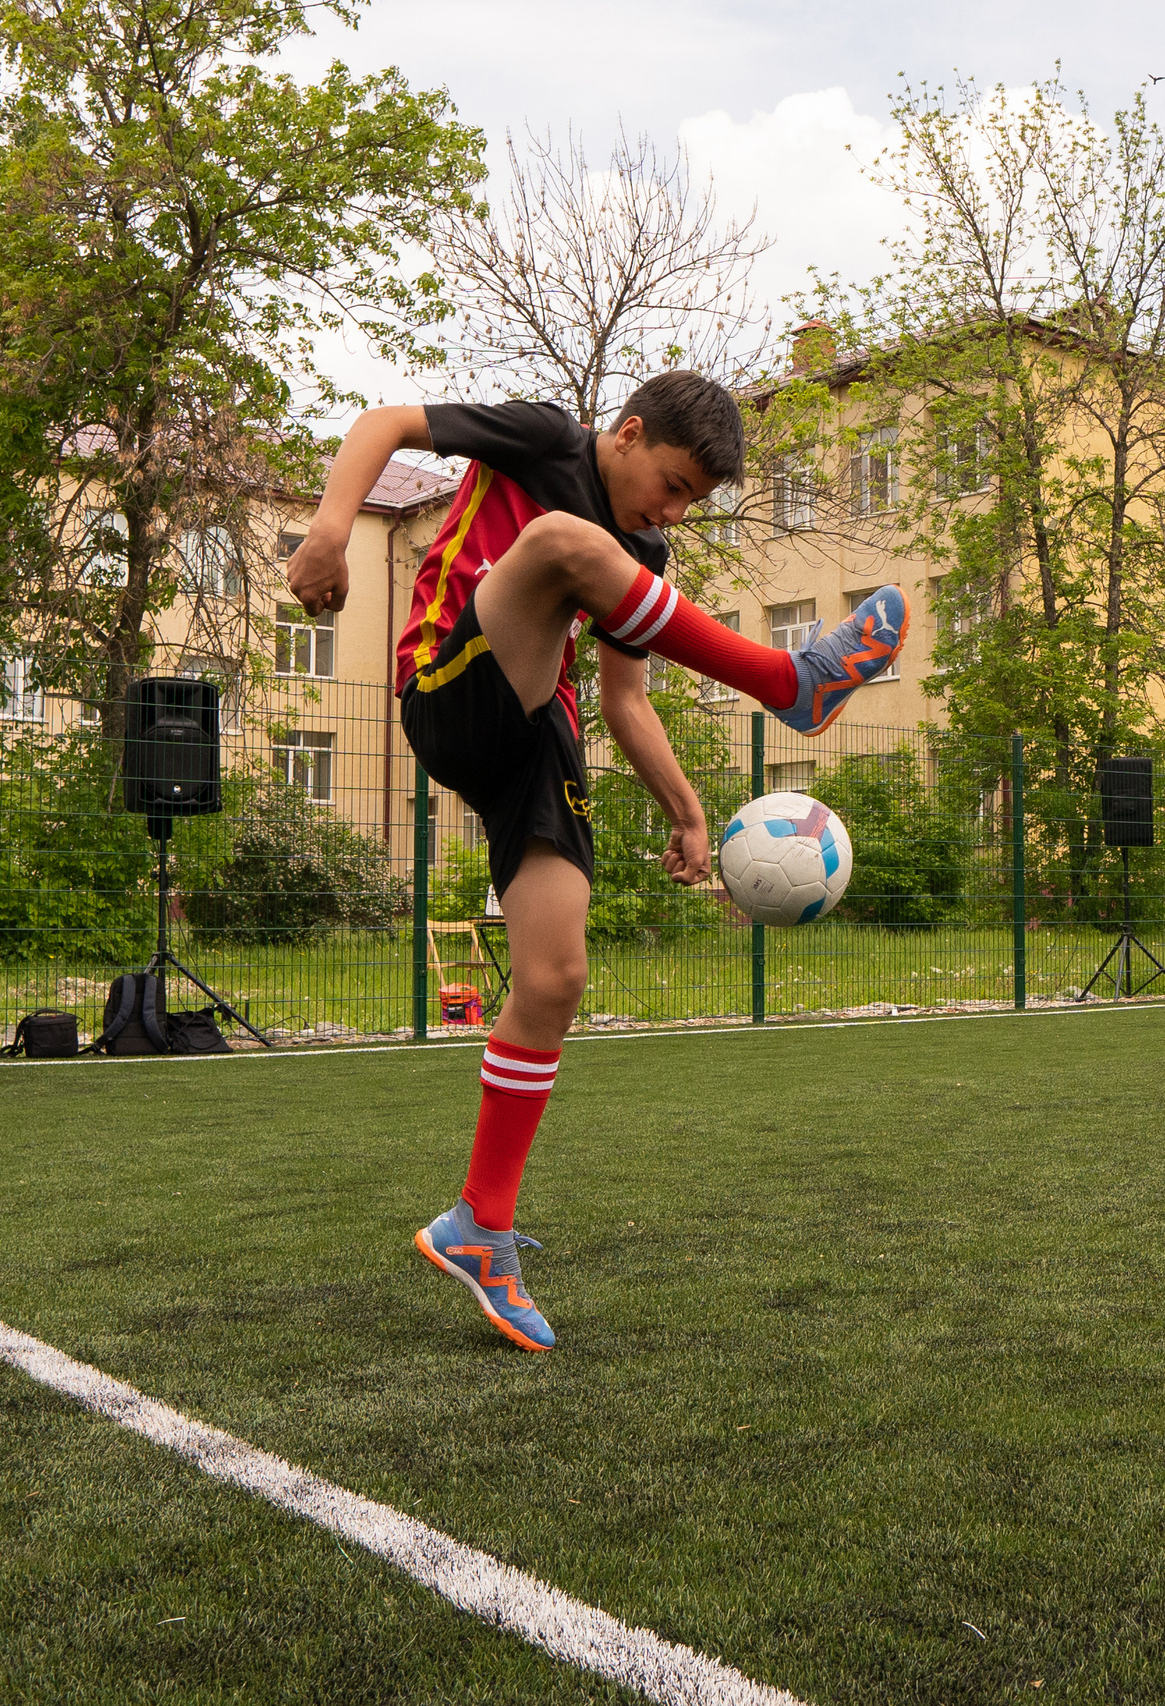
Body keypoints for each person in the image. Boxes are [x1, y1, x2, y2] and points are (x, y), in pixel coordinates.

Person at [286, 375, 906, 1352]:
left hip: (539, 740)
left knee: (553, 977)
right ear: (622, 435)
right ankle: (791, 682)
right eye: (669, 483)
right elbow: (387, 422)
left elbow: (624, 696)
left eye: (691, 501)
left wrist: (689, 809)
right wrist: (329, 528)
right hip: (449, 681)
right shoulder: (540, 436)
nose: (670, 510)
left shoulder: (644, 550)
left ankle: (479, 1227)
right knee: (564, 545)